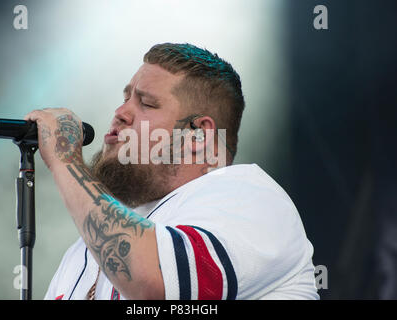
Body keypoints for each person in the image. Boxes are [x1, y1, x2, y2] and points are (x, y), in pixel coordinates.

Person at [25, 43, 319, 300]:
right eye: (125, 98)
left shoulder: (252, 200)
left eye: (146, 103)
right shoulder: (83, 251)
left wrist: (65, 158)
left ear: (199, 136)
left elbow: (153, 284)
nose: (120, 112)